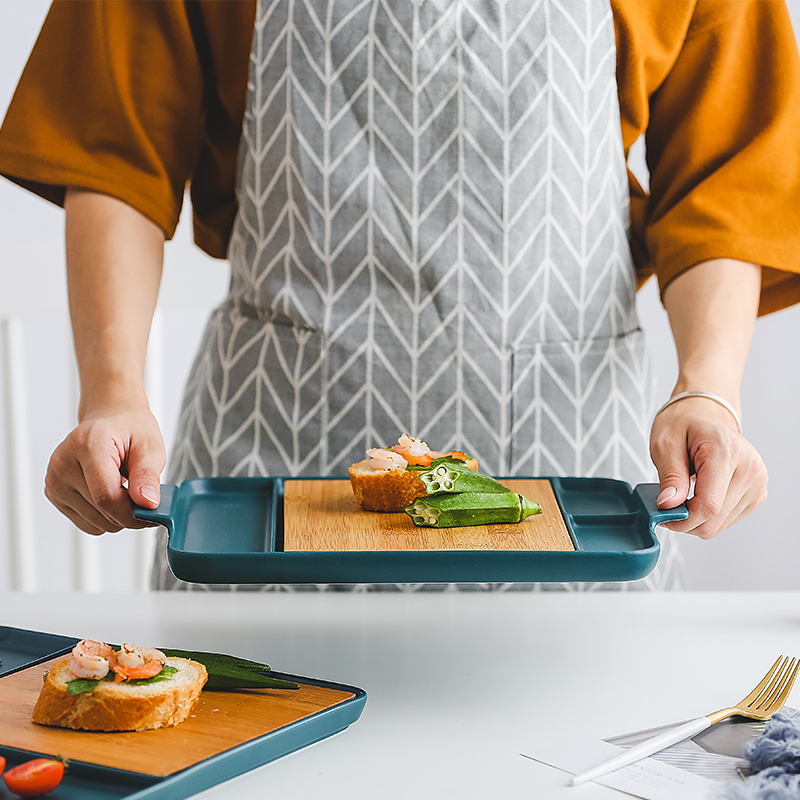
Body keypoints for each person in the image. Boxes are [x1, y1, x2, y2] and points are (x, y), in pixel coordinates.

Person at [1, 0, 797, 591]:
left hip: (573, 477)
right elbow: (112, 149)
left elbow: (725, 181)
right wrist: (112, 392)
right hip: (271, 459)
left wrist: (710, 390)